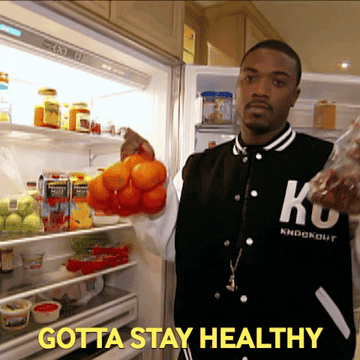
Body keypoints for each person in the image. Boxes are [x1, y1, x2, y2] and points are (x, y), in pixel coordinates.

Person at [121, 40, 358, 360]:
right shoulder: (199, 166)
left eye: (277, 81)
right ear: (238, 87)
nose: (260, 90)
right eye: (250, 77)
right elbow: (168, 242)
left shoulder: (331, 169)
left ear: (294, 96)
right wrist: (145, 185)